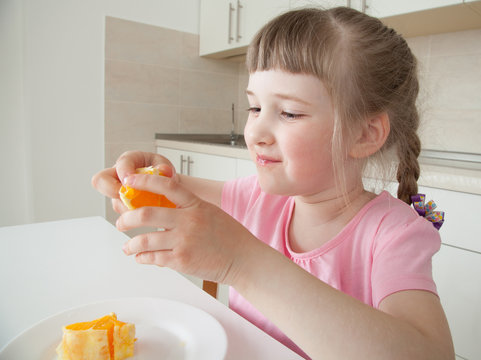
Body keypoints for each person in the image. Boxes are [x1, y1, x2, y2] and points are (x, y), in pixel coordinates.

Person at [92, 7, 454, 360]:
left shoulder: (394, 234)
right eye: (254, 108)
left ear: (364, 134)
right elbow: (175, 191)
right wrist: (146, 177)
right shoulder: (256, 198)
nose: (256, 133)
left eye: (289, 113)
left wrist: (243, 261)